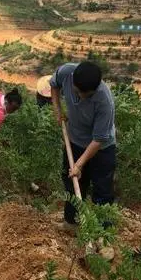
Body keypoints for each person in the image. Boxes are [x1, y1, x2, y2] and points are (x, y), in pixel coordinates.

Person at [50, 61, 116, 235]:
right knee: (73, 184)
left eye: (85, 95)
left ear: (95, 89)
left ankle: (103, 235)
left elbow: (99, 139)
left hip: (101, 149)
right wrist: (57, 109)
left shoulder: (104, 101)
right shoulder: (66, 72)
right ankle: (71, 224)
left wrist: (79, 164)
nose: (80, 97)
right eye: (77, 92)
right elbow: (54, 85)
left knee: (102, 190)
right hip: (74, 140)